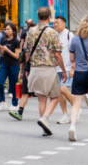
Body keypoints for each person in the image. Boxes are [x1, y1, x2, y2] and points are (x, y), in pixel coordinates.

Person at [21, 7, 65, 136]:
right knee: (55, 97)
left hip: (34, 68)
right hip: (49, 68)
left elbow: (27, 52)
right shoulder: (52, 32)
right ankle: (44, 118)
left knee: (41, 99)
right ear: (49, 17)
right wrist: (63, 70)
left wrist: (27, 69)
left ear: (38, 17)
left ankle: (44, 127)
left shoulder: (31, 31)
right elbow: (57, 54)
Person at [53, 15, 87, 123]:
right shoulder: (54, 35)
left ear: (64, 23)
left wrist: (73, 67)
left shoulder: (69, 35)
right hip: (56, 67)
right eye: (54, 23)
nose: (55, 25)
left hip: (67, 67)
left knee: (63, 89)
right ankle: (65, 114)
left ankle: (77, 108)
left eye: (57, 22)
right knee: (59, 92)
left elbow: (77, 51)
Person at [0, 22, 21, 112]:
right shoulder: (4, 40)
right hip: (4, 64)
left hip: (14, 65)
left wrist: (7, 50)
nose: (7, 31)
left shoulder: (16, 41)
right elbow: (3, 54)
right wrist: (1, 50)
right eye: (6, 29)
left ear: (13, 30)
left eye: (9, 29)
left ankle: (15, 104)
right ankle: (2, 102)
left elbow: (17, 56)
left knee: (13, 85)